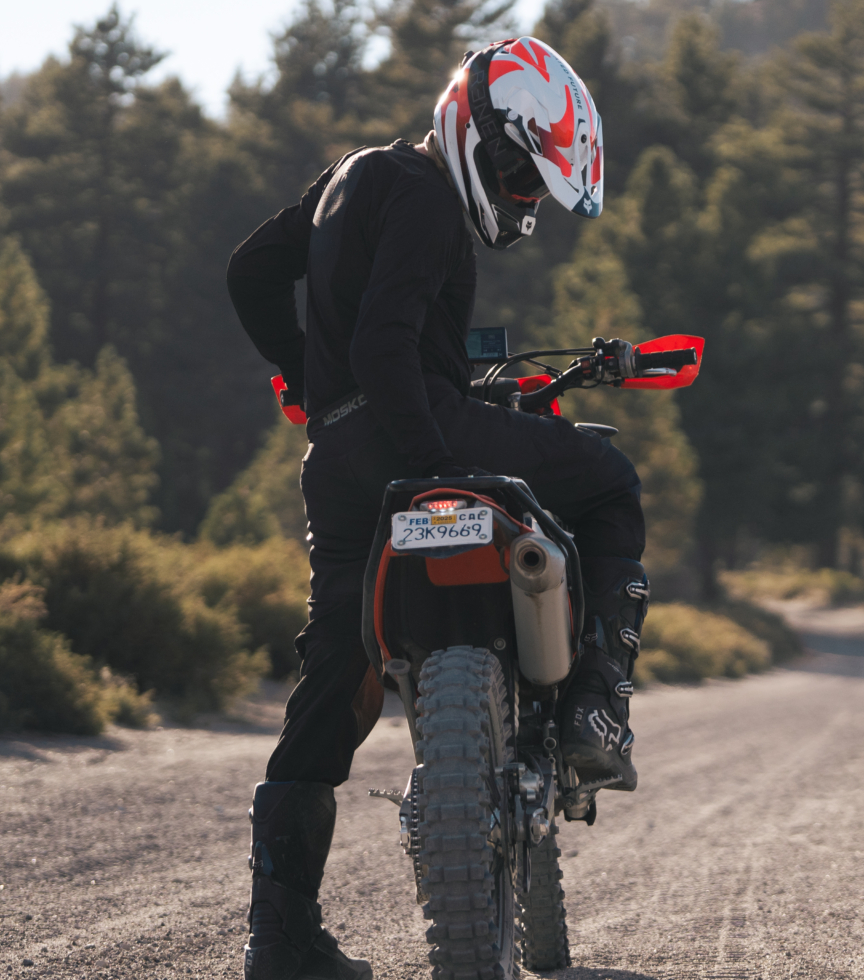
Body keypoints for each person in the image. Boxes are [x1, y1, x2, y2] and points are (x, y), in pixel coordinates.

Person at [225, 37, 646, 980]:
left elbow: (249, 273)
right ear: (471, 126)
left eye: (533, 186)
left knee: (335, 673)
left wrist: (302, 379)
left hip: (335, 459)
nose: (522, 197)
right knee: (609, 480)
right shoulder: (425, 200)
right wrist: (436, 464)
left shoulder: (351, 179)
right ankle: (595, 707)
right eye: (518, 175)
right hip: (409, 431)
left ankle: (280, 938)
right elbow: (387, 347)